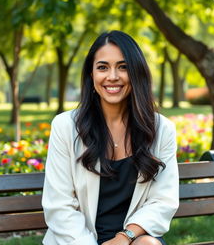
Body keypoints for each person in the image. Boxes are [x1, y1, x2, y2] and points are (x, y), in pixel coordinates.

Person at [42, 30, 179, 245]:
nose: (112, 76)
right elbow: (60, 206)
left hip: (134, 238)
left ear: (136, 73)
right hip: (76, 240)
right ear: (91, 74)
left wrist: (125, 237)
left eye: (123, 67)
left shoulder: (161, 129)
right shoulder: (65, 126)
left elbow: (163, 201)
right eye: (103, 67)